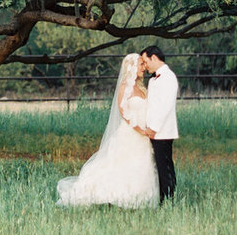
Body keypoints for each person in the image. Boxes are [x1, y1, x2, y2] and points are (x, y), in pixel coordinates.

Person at [56, 53, 159, 208]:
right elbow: (124, 112)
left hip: (144, 136)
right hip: (130, 134)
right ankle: (112, 196)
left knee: (141, 167)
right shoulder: (125, 87)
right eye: (140, 64)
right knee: (120, 166)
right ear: (131, 66)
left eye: (144, 64)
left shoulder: (141, 87)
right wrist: (140, 130)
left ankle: (137, 198)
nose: (144, 68)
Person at [139, 45, 179, 204]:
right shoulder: (154, 79)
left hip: (162, 131)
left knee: (165, 167)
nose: (145, 65)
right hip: (154, 131)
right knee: (158, 167)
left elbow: (165, 105)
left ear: (154, 58)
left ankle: (168, 199)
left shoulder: (168, 77)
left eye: (145, 61)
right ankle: (162, 197)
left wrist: (154, 128)